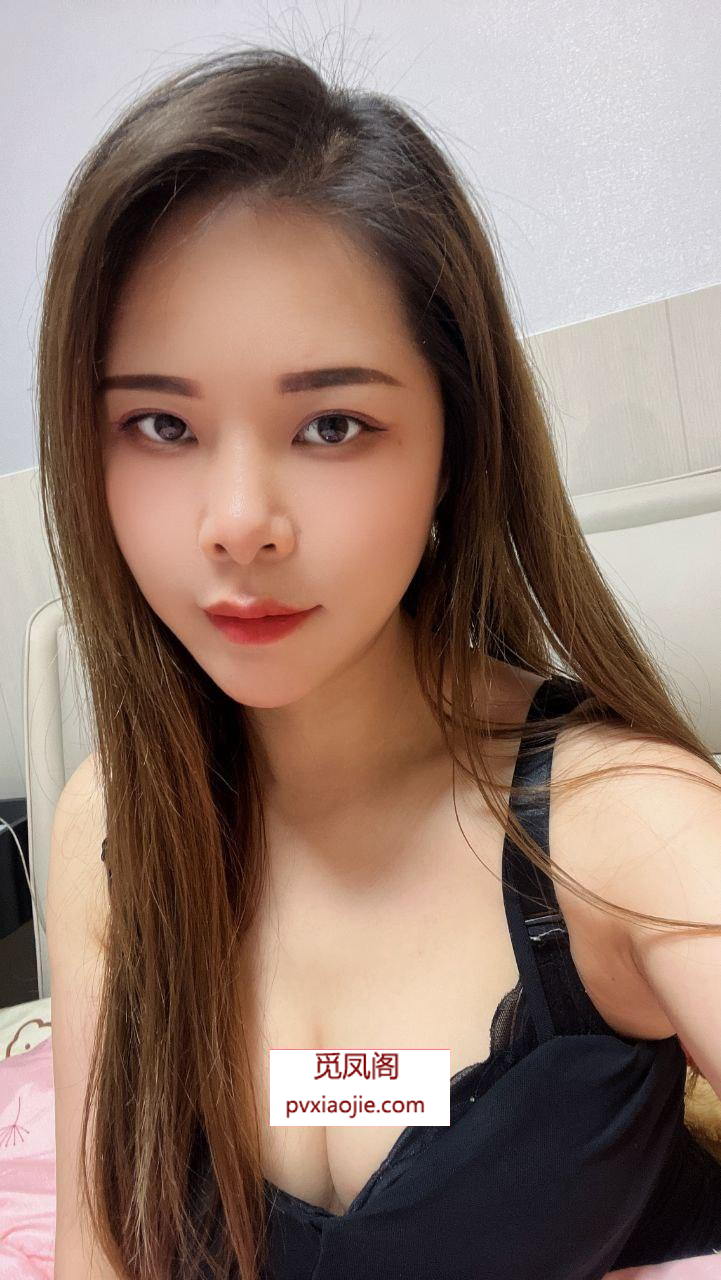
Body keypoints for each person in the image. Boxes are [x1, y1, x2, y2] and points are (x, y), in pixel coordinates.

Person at [42, 45, 721, 1280]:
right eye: (161, 423)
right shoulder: (116, 829)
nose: (237, 521)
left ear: (453, 444)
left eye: (331, 423)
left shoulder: (628, 830)